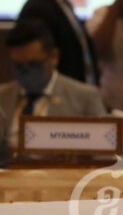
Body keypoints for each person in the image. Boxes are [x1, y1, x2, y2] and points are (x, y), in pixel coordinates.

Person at [0, 20, 106, 165]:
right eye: (19, 67)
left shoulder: (84, 97)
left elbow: (104, 156)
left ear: (54, 57)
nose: (26, 73)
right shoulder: (2, 97)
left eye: (34, 65)